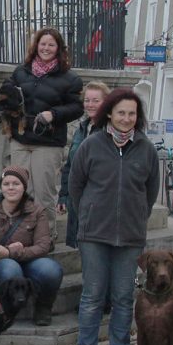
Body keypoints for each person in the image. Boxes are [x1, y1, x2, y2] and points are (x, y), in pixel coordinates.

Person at [69, 88, 160, 345]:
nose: (126, 118)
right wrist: (89, 213)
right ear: (110, 113)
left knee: (123, 298)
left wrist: (134, 219)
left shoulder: (146, 149)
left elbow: (150, 192)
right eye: (121, 112)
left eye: (132, 113)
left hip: (130, 237)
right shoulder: (92, 145)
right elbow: (76, 186)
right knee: (93, 295)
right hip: (94, 233)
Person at [10, 27, 83, 241]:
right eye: (43, 44)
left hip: (48, 142)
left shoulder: (70, 78)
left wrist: (54, 113)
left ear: (58, 48)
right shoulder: (21, 71)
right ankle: (22, 234)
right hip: (21, 139)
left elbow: (77, 107)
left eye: (51, 45)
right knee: (20, 191)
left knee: (43, 193)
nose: (46, 48)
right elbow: (7, 94)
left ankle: (46, 235)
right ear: (36, 45)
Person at [0, 165, 63, 326]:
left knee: (51, 270)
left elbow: (43, 246)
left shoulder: (37, 211)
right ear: (1, 186)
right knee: (10, 268)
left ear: (24, 187)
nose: (11, 187)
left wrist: (12, 252)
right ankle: (1, 309)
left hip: (29, 260)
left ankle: (43, 307)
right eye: (6, 183)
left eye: (16, 183)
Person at [57, 81, 111, 249]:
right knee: (83, 247)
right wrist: (63, 195)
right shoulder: (82, 128)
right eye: (87, 100)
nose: (90, 104)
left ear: (106, 102)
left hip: (98, 200)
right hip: (77, 197)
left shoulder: (109, 130)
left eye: (96, 100)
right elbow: (70, 165)